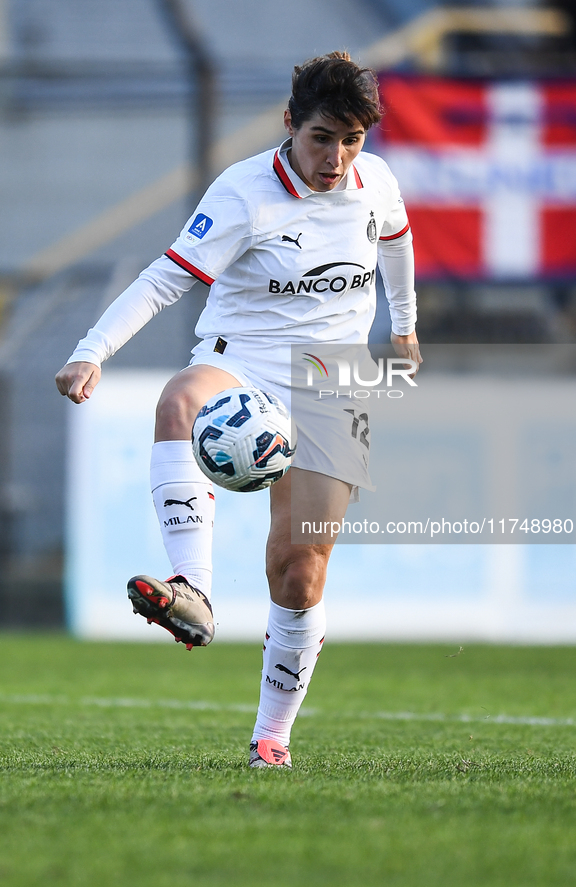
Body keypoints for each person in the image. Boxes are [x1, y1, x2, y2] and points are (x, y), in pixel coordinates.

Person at [55, 51, 421, 769]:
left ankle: (271, 737)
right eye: (322, 136)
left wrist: (404, 326)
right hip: (242, 358)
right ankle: (192, 589)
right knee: (178, 398)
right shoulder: (243, 193)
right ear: (289, 123)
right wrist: (92, 349)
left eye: (352, 139)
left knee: (298, 571)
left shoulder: (374, 181)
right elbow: (164, 280)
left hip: (331, 380)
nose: (337, 157)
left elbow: (397, 243)